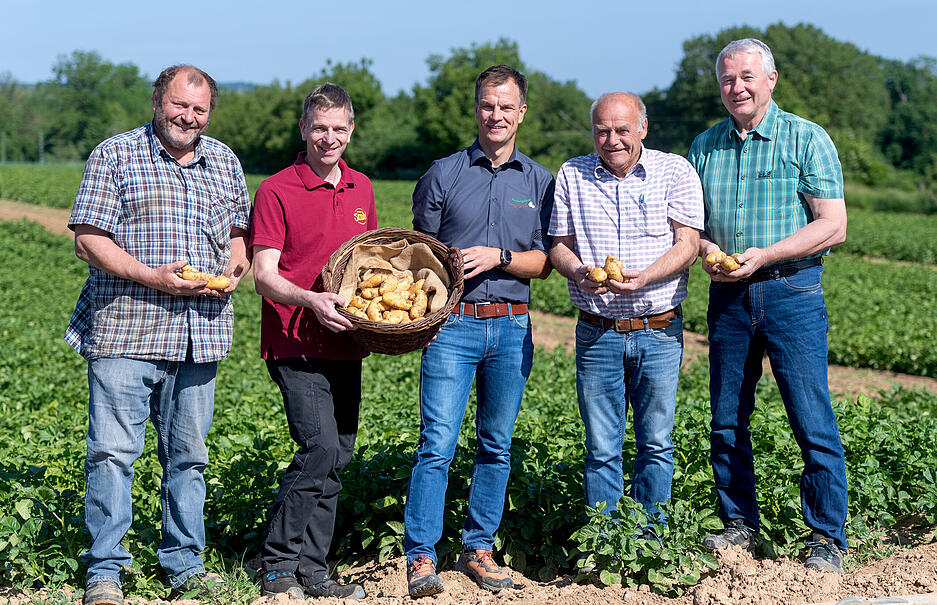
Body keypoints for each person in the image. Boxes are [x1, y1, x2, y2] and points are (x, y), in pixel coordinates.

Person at [65, 65, 251, 605]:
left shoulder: (224, 161)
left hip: (201, 332)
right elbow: (88, 241)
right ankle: (105, 571)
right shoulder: (116, 154)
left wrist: (235, 267)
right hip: (128, 325)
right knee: (112, 453)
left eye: (199, 110)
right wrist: (154, 277)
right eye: (179, 105)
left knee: (189, 456)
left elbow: (239, 232)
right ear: (157, 100)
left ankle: (184, 564)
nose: (188, 118)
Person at [687, 38, 849, 574]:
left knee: (810, 415)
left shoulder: (806, 138)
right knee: (727, 418)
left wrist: (767, 255)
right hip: (729, 294)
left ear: (771, 79)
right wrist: (709, 251)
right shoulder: (704, 146)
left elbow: (833, 226)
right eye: (728, 79)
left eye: (748, 77)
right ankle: (739, 526)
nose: (737, 87)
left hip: (791, 291)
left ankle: (827, 536)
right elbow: (691, 229)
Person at [404, 64, 555, 598]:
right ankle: (421, 557)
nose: (496, 115)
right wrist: (441, 265)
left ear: (522, 113)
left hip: (512, 328)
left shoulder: (539, 181)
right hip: (453, 329)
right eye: (488, 105)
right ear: (477, 109)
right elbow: (413, 255)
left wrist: (501, 257)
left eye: (506, 107)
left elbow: (545, 263)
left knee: (496, 444)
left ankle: (478, 549)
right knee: (437, 443)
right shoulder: (443, 174)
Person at [548, 93, 703, 537]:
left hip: (659, 331)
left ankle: (649, 539)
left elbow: (688, 245)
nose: (612, 140)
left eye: (622, 130)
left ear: (643, 128)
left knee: (655, 443)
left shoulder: (674, 171)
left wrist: (643, 279)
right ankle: (607, 540)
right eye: (602, 130)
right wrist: (580, 272)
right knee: (601, 446)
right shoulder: (573, 174)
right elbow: (558, 243)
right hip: (598, 332)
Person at [248, 83, 374, 600]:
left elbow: (366, 263)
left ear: (350, 130)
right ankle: (275, 563)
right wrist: (311, 300)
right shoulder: (278, 189)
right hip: (294, 339)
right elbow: (263, 276)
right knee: (318, 447)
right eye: (319, 128)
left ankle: (314, 570)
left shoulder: (361, 187)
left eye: (339, 129)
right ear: (304, 129)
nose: (329, 138)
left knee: (339, 456)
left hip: (346, 341)